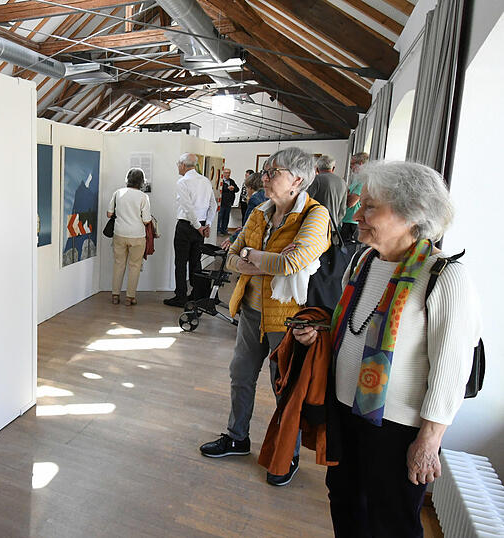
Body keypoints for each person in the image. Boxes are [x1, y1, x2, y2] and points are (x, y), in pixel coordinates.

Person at [291, 161, 481, 537]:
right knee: (345, 503)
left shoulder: (444, 275)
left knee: (390, 520)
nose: (356, 214)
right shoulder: (364, 261)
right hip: (346, 412)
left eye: (370, 207)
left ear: (412, 213)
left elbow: (452, 369)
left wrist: (429, 440)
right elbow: (353, 325)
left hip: (398, 429)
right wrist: (320, 331)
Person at [199, 147, 330, 488]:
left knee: (284, 389)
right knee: (240, 375)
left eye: (274, 172)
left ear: (297, 180)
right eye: (267, 171)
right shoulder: (259, 211)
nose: (266, 177)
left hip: (288, 321)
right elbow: (229, 256)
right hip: (250, 310)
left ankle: (288, 453)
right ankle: (237, 437)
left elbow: (293, 263)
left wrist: (250, 256)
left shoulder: (316, 217)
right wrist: (254, 256)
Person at [164, 153, 216, 308]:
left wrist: (199, 226)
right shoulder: (205, 181)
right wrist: (207, 224)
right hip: (200, 226)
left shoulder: (183, 181)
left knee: (180, 263)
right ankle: (197, 295)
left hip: (187, 226)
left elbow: (188, 207)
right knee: (196, 261)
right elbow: (213, 205)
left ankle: (180, 296)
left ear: (182, 165)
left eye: (178, 165)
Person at [107, 168, 152, 306]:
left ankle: (115, 295)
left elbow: (109, 214)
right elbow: (146, 220)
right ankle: (130, 297)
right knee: (135, 266)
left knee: (118, 264)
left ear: (127, 179)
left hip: (119, 233)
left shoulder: (118, 193)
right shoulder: (143, 197)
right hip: (137, 235)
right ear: (142, 182)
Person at [221, 172, 266, 250]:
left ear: (251, 187)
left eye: (247, 188)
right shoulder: (266, 195)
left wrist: (232, 238)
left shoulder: (254, 198)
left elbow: (248, 224)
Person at [308, 155, 347, 227]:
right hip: (333, 226)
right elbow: (342, 210)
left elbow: (306, 201)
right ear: (333, 168)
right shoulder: (342, 182)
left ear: (317, 168)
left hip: (316, 225)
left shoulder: (316, 180)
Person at [341, 152, 369, 241]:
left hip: (352, 222)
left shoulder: (363, 180)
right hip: (347, 219)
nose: (350, 167)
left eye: (352, 164)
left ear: (360, 164)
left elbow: (350, 202)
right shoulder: (357, 179)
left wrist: (346, 195)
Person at [217, 168, 239, 235]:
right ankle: (218, 230)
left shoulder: (231, 181)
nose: (227, 174)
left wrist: (233, 188)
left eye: (229, 173)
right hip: (222, 202)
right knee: (220, 217)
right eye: (226, 173)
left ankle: (224, 230)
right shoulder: (220, 181)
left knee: (226, 217)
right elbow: (219, 189)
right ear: (223, 173)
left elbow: (237, 189)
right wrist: (227, 188)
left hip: (229, 203)